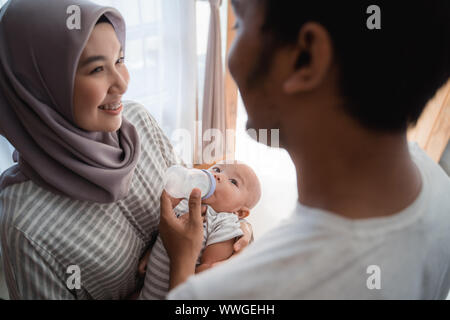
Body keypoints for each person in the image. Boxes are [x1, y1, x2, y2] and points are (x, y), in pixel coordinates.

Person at [160, 0, 450, 299]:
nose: (230, 62)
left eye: (239, 24)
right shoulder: (440, 190)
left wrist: (182, 263)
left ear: (306, 57)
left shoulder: (226, 293)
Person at [0, 0, 252, 300]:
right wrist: (181, 261)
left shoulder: (138, 122)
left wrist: (237, 229)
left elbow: (200, 198)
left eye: (120, 59)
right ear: (36, 87)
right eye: (96, 69)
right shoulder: (25, 223)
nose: (122, 83)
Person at [139, 162, 261, 299]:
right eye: (217, 169)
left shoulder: (225, 224)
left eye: (233, 182)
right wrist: (153, 250)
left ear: (239, 212)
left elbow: (208, 272)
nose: (218, 175)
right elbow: (168, 232)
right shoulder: (185, 201)